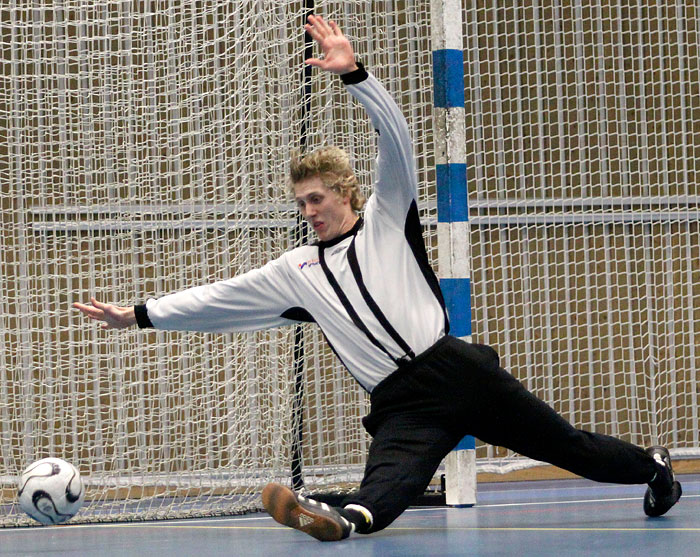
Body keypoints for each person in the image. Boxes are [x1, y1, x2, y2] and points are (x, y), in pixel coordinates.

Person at [74, 15, 682, 543]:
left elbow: (398, 143)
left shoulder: (388, 219)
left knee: (568, 448)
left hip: (458, 371)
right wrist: (141, 313)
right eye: (301, 204)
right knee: (385, 486)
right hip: (399, 402)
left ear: (345, 193)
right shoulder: (296, 270)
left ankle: (654, 468)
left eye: (316, 198)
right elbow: (221, 298)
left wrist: (355, 75)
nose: (309, 211)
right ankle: (344, 520)